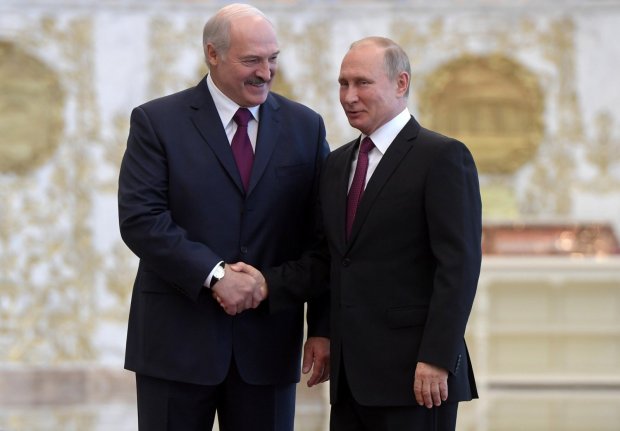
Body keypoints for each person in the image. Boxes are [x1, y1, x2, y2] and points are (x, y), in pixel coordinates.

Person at [242, 36, 481, 430]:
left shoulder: (441, 157)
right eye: (343, 83)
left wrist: (437, 357)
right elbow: (332, 260)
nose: (349, 96)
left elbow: (459, 267)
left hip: (418, 376)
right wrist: (309, 320)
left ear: (401, 83)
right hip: (351, 380)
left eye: (362, 83)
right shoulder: (337, 165)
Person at [117, 4, 330, 430]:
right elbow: (141, 219)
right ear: (212, 54)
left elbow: (325, 237)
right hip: (176, 345)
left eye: (273, 59)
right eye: (251, 60)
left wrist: (323, 327)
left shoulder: (305, 127)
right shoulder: (157, 122)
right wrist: (216, 275)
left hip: (268, 346)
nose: (265, 73)